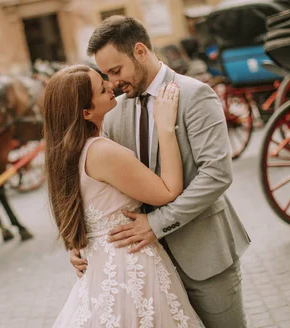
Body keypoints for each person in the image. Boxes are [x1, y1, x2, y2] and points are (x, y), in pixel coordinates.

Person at [69, 16, 250, 328]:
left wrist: (157, 223)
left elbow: (216, 174)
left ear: (140, 51)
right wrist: (79, 242)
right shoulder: (114, 112)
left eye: (116, 70)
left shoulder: (195, 94)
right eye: (106, 75)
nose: (112, 82)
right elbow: (106, 185)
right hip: (148, 267)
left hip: (203, 253)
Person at [47, 66, 204, 327]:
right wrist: (165, 128)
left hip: (98, 268)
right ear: (86, 113)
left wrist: (76, 247)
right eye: (101, 88)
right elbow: (167, 192)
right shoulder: (101, 152)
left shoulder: (65, 154)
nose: (111, 86)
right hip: (128, 265)